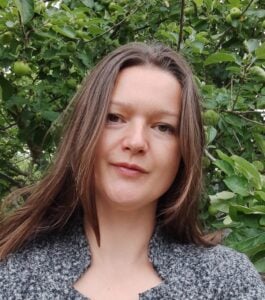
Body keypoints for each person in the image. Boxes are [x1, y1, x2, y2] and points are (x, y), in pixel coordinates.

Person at [0, 42, 264, 300]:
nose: (136, 142)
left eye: (163, 127)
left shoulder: (229, 282)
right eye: (114, 118)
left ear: (184, 151)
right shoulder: (11, 273)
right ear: (83, 131)